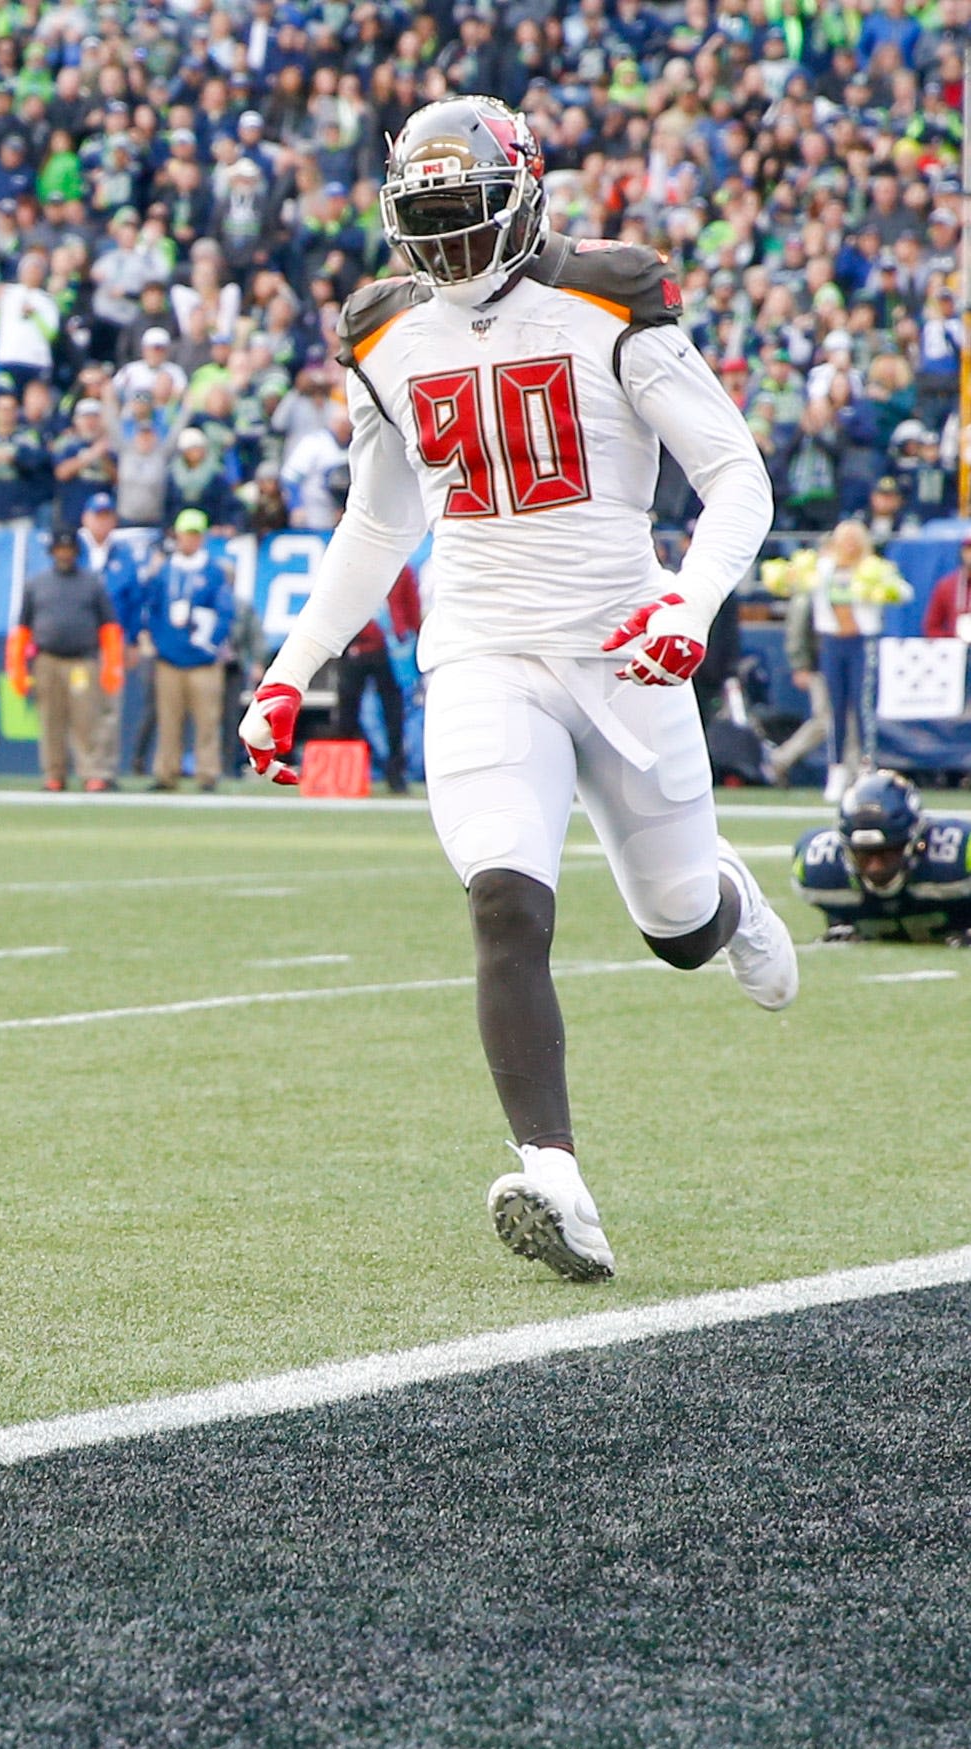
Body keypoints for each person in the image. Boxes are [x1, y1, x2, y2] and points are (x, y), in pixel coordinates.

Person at [237, 95, 798, 1282]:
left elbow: (734, 477)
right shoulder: (386, 332)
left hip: (623, 646)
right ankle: (555, 1177)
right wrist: (291, 670)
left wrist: (684, 608)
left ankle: (732, 905)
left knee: (679, 930)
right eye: (422, 220)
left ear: (523, 194)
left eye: (461, 214)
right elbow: (378, 523)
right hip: (482, 652)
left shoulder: (608, 296)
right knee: (505, 903)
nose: (442, 247)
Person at [761, 523, 914, 799]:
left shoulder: (871, 568)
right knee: (834, 710)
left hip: (860, 642)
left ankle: (866, 769)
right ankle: (837, 769)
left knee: (861, 707)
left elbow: (903, 592)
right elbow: (790, 584)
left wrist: (881, 589)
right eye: (845, 540)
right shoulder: (823, 569)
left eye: (855, 541)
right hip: (831, 643)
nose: (850, 546)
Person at [790, 772, 971, 945]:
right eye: (863, 854)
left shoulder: (956, 855)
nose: (875, 867)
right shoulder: (819, 868)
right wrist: (839, 922)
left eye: (887, 852)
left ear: (915, 841)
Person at [12, 517, 120, 791]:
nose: (64, 554)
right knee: (50, 720)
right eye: (59, 549)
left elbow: (109, 627)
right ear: (52, 552)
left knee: (86, 719)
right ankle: (54, 773)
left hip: (82, 661)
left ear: (75, 552)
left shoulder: (91, 584)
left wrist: (111, 666)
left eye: (69, 549)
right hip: (47, 660)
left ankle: (92, 771)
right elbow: (22, 629)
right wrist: (18, 669)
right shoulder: (37, 584)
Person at [140, 509, 233, 791]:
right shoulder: (165, 571)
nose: (189, 540)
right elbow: (152, 608)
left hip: (203, 660)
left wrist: (213, 642)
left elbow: (225, 611)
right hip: (169, 658)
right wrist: (156, 640)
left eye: (195, 535)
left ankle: (207, 773)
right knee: (169, 721)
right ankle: (166, 772)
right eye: (185, 534)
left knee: (207, 721)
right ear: (177, 535)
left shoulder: (213, 572)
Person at [330, 564, 423, 794]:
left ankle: (395, 773)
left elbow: (411, 608)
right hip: (356, 644)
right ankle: (344, 773)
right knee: (347, 711)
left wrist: (414, 637)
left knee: (394, 714)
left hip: (388, 649)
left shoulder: (400, 569)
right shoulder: (353, 566)